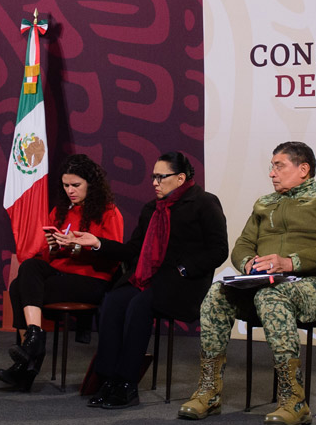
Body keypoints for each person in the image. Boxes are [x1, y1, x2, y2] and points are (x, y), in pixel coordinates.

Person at [179, 141, 316, 425]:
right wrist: (248, 263)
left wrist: (290, 263)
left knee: (272, 297)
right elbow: (242, 245)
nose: (272, 173)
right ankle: (208, 391)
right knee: (217, 294)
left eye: (279, 166)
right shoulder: (264, 203)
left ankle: (294, 400)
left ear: (303, 169)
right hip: (267, 287)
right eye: (271, 167)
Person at [65, 152, 228, 408]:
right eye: (153, 177)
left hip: (184, 283)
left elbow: (219, 250)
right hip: (149, 278)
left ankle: (127, 384)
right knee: (113, 301)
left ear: (180, 178)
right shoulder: (152, 208)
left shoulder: (204, 203)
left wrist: (184, 269)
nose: (154, 182)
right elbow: (133, 250)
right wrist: (97, 243)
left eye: (161, 177)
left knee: (139, 305)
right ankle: (107, 377)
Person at [0, 154, 124, 392]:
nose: (70, 191)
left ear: (91, 184)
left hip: (91, 280)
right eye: (66, 185)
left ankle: (28, 362)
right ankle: (34, 338)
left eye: (76, 185)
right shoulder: (61, 210)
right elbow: (47, 257)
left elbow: (114, 255)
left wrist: (80, 246)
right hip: (60, 273)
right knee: (28, 268)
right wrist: (53, 248)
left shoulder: (109, 212)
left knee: (19, 288)